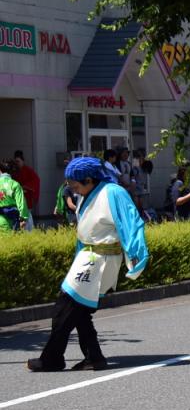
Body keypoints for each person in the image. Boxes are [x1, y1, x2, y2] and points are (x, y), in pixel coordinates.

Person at [27, 158, 149, 371]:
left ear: (89, 179)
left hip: (99, 260)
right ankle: (94, 357)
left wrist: (137, 255)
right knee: (79, 312)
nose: (73, 190)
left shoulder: (113, 192)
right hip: (88, 258)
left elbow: (132, 223)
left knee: (64, 309)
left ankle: (52, 359)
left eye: (75, 185)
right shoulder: (87, 194)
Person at [11, 150, 39, 231]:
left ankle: (30, 232)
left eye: (18, 161)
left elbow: (36, 180)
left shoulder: (28, 170)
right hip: (18, 197)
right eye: (15, 161)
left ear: (22, 161)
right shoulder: (15, 171)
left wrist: (24, 187)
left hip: (26, 197)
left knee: (27, 215)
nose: (17, 163)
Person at [0, 160, 29, 231]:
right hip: (11, 221)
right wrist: (23, 218)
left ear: (0, 170)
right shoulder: (15, 184)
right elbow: (21, 204)